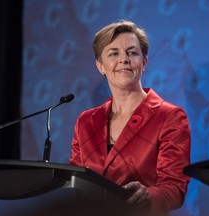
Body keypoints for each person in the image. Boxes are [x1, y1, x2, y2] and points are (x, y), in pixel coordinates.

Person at [69, 20, 191, 216]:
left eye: (132, 52)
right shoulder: (85, 122)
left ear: (144, 63)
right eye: (113, 53)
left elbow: (175, 189)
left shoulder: (169, 116)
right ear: (100, 65)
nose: (124, 59)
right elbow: (75, 183)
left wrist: (149, 196)